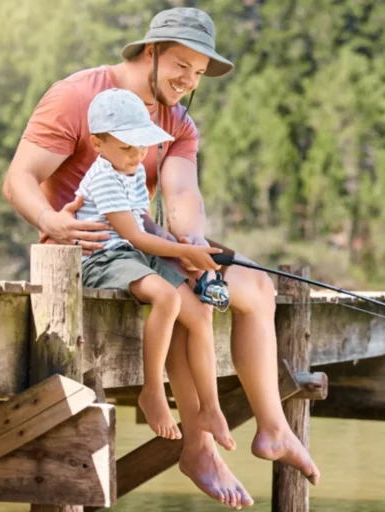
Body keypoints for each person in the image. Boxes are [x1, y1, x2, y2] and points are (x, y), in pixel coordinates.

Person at [2, 7, 319, 510]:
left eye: (198, 73)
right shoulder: (78, 96)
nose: (189, 80)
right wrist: (50, 219)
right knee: (180, 297)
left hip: (146, 246)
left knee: (255, 287)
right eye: (181, 65)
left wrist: (191, 241)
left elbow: (182, 195)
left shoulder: (177, 120)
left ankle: (274, 430)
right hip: (91, 258)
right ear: (149, 51)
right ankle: (199, 448)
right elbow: (18, 179)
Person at [76, 87, 235, 451]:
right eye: (126, 147)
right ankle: (152, 391)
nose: (135, 156)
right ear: (98, 144)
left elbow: (142, 224)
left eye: (141, 147)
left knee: (199, 312)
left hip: (130, 254)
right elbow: (133, 235)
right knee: (166, 297)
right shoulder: (103, 176)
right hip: (101, 257)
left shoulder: (129, 171)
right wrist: (182, 252)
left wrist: (186, 249)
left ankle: (210, 407)